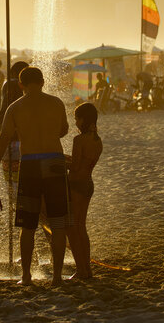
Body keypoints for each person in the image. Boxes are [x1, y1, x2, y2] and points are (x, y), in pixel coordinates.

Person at [0, 66, 69, 286]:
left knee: (27, 225)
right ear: (43, 82)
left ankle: (27, 276)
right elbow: (63, 130)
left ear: (21, 85)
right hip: (55, 162)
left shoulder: (15, 107)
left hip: (30, 163)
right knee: (58, 223)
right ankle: (57, 277)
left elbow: (2, 140)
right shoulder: (57, 103)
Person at [66, 102, 103, 280]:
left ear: (83, 119)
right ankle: (86, 269)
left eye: (76, 119)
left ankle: (81, 269)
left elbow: (74, 167)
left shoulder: (78, 140)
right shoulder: (97, 140)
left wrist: (60, 160)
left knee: (72, 229)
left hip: (76, 185)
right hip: (88, 183)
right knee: (81, 227)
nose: (75, 123)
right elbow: (84, 163)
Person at [0, 60, 29, 191]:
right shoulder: (27, 89)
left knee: (11, 183)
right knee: (23, 184)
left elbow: (2, 113)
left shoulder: (8, 85)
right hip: (24, 141)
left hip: (9, 141)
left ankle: (14, 207)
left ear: (13, 73)